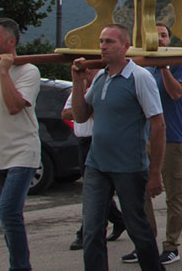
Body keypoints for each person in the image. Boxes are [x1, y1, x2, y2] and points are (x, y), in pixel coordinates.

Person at [71, 24, 165, 271]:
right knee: (91, 230)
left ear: (125, 46)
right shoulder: (101, 77)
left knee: (138, 228)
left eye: (110, 41)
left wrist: (155, 173)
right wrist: (77, 82)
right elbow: (81, 116)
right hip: (96, 164)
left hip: (129, 166)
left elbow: (158, 125)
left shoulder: (139, 77)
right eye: (101, 41)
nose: (103, 46)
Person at [122, 24, 182, 265]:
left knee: (173, 194)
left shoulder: (179, 63)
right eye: (155, 35)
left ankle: (171, 245)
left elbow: (176, 93)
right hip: (144, 138)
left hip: (173, 137)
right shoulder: (140, 66)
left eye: (163, 35)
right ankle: (145, 243)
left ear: (169, 39)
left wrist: (163, 68)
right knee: (140, 193)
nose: (159, 40)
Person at [62, 69, 125, 252]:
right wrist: (82, 109)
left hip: (97, 141)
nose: (87, 74)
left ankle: (85, 233)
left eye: (90, 70)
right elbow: (66, 113)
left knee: (95, 191)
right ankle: (120, 220)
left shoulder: (101, 88)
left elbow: (102, 113)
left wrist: (85, 110)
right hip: (82, 142)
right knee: (94, 189)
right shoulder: (77, 90)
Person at [0, 18, 41, 271]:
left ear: (11, 41)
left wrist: (4, 71)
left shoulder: (28, 71)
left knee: (9, 212)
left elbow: (14, 107)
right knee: (5, 216)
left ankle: (20, 267)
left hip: (22, 152)